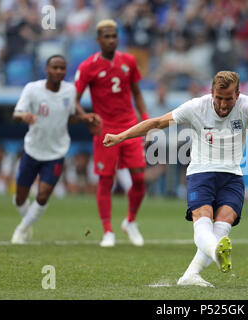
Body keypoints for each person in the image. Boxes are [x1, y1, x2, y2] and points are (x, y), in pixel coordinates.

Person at [103, 71, 248, 287]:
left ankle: (190, 275)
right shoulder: (195, 107)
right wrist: (121, 136)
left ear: (238, 94)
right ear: (212, 93)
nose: (223, 105)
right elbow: (157, 123)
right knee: (203, 221)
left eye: (229, 99)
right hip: (201, 173)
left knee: (223, 226)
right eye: (219, 98)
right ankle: (216, 252)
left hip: (232, 176)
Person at [74, 19, 150, 247]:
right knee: (105, 180)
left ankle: (130, 221)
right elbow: (74, 101)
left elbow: (137, 92)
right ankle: (108, 230)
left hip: (129, 126)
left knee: (139, 179)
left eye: (114, 36)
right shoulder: (88, 66)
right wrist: (85, 116)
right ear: (98, 40)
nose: (111, 40)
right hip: (105, 129)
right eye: (106, 37)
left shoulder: (128, 61)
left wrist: (145, 118)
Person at [10, 55, 98, 244]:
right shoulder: (32, 89)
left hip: (56, 153)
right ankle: (27, 222)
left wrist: (84, 118)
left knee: (42, 195)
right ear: (47, 69)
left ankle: (22, 228)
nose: (59, 71)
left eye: (62, 68)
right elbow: (16, 115)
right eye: (55, 67)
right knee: (20, 198)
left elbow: (71, 117)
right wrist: (24, 115)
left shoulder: (70, 91)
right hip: (32, 150)